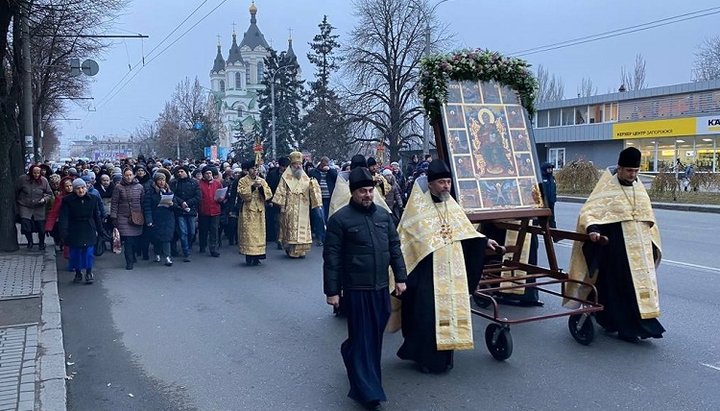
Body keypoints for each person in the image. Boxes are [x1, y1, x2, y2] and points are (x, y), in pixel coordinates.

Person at [396, 160, 499, 373]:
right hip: (427, 272)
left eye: (448, 182)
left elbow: (465, 231)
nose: (446, 186)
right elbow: (407, 238)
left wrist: (484, 240)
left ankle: (445, 358)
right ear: (431, 184)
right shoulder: (417, 207)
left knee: (449, 311)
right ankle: (424, 358)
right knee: (426, 314)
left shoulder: (451, 204)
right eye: (441, 182)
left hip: (452, 271)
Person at [323, 167, 408, 411]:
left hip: (381, 287)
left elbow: (395, 248)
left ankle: (349, 351)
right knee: (364, 339)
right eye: (363, 191)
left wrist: (400, 278)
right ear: (353, 193)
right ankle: (368, 391)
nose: (368, 195)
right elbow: (332, 259)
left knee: (375, 334)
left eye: (371, 191)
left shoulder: (384, 216)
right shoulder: (340, 220)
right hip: (357, 289)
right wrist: (332, 292)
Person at [565, 147, 664, 342]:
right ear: (619, 168)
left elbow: (648, 216)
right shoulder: (607, 188)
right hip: (615, 250)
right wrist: (593, 229)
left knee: (638, 289)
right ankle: (625, 327)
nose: (633, 175)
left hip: (640, 250)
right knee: (618, 288)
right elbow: (590, 212)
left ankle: (643, 323)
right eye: (629, 171)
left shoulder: (639, 188)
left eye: (636, 171)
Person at [271, 151, 322, 258]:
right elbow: (281, 191)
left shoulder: (304, 176)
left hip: (303, 205)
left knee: (302, 227)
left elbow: (310, 190)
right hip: (290, 205)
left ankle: (302, 249)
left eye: (300, 164)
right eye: (296, 164)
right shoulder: (286, 177)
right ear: (291, 165)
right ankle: (291, 249)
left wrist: (313, 185)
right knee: (291, 227)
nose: (298, 166)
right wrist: (282, 206)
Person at [59, 178, 105, 284]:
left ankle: (89, 272)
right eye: (78, 188)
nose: (81, 190)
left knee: (88, 252)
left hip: (88, 227)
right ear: (74, 189)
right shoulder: (67, 200)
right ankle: (78, 272)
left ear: (86, 187)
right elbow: (64, 217)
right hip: (74, 228)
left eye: (83, 187)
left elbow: (96, 216)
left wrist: (101, 230)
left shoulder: (93, 199)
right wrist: (63, 232)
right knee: (75, 253)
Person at [237, 161, 272, 266]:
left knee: (259, 234)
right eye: (252, 168)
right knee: (249, 234)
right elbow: (242, 194)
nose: (255, 171)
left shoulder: (262, 180)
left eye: (256, 169)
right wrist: (252, 187)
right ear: (248, 170)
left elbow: (269, 194)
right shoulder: (243, 180)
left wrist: (261, 188)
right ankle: (249, 256)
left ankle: (258, 256)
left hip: (259, 210)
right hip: (248, 211)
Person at [111, 167, 145, 270]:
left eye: (130, 175)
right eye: (126, 175)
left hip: (137, 217)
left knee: (135, 240)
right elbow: (114, 203)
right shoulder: (118, 187)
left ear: (134, 175)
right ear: (123, 176)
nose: (128, 177)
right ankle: (129, 262)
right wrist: (114, 216)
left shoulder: (139, 187)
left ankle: (134, 255)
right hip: (123, 217)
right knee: (128, 240)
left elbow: (143, 202)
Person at [143, 169, 177, 266]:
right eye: (159, 180)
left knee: (167, 238)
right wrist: (149, 220)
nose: (162, 182)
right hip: (156, 217)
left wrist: (172, 204)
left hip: (168, 217)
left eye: (163, 180)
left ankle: (167, 257)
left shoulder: (169, 191)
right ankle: (157, 253)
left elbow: (175, 205)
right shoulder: (150, 192)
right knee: (157, 238)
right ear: (156, 181)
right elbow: (147, 207)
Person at [16, 164, 54, 250]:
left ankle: (41, 242)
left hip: (39, 206)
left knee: (41, 227)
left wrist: (44, 199)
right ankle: (30, 241)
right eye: (34, 173)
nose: (36, 175)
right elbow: (16, 191)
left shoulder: (44, 181)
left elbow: (49, 193)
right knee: (26, 225)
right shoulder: (23, 179)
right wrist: (19, 202)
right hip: (25, 205)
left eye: (38, 173)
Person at [171, 165, 200, 262]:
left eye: (182, 171)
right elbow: (173, 195)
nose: (180, 173)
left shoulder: (194, 183)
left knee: (191, 231)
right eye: (178, 172)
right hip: (180, 210)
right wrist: (181, 202)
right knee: (183, 232)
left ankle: (189, 245)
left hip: (190, 210)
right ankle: (186, 251)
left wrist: (188, 203)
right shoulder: (175, 183)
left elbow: (198, 196)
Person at [308, 156, 338, 245]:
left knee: (327, 217)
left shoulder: (331, 172)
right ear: (321, 163)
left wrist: (329, 170)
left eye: (327, 163)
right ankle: (320, 237)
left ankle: (326, 237)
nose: (326, 165)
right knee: (319, 217)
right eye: (324, 163)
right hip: (318, 199)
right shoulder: (314, 171)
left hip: (328, 198)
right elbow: (311, 178)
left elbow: (336, 177)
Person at [198, 165, 224, 257]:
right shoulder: (199, 184)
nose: (209, 175)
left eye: (210, 173)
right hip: (203, 210)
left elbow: (222, 193)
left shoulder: (217, 183)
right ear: (203, 175)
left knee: (214, 230)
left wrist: (221, 198)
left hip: (215, 210)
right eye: (206, 173)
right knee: (203, 230)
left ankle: (213, 248)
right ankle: (202, 245)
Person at [265, 157, 289, 248]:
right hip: (275, 201)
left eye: (286, 167)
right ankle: (278, 238)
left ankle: (284, 238)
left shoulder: (290, 175)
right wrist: (270, 200)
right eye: (283, 167)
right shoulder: (272, 174)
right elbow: (268, 188)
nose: (285, 169)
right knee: (278, 221)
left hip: (286, 201)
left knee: (285, 221)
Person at [540, 162, 557, 228]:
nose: (550, 170)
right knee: (541, 219)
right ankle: (535, 235)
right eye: (549, 169)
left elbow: (554, 189)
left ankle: (555, 236)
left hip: (551, 201)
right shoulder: (541, 178)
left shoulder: (552, 178)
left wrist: (554, 198)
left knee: (552, 218)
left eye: (551, 169)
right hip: (543, 202)